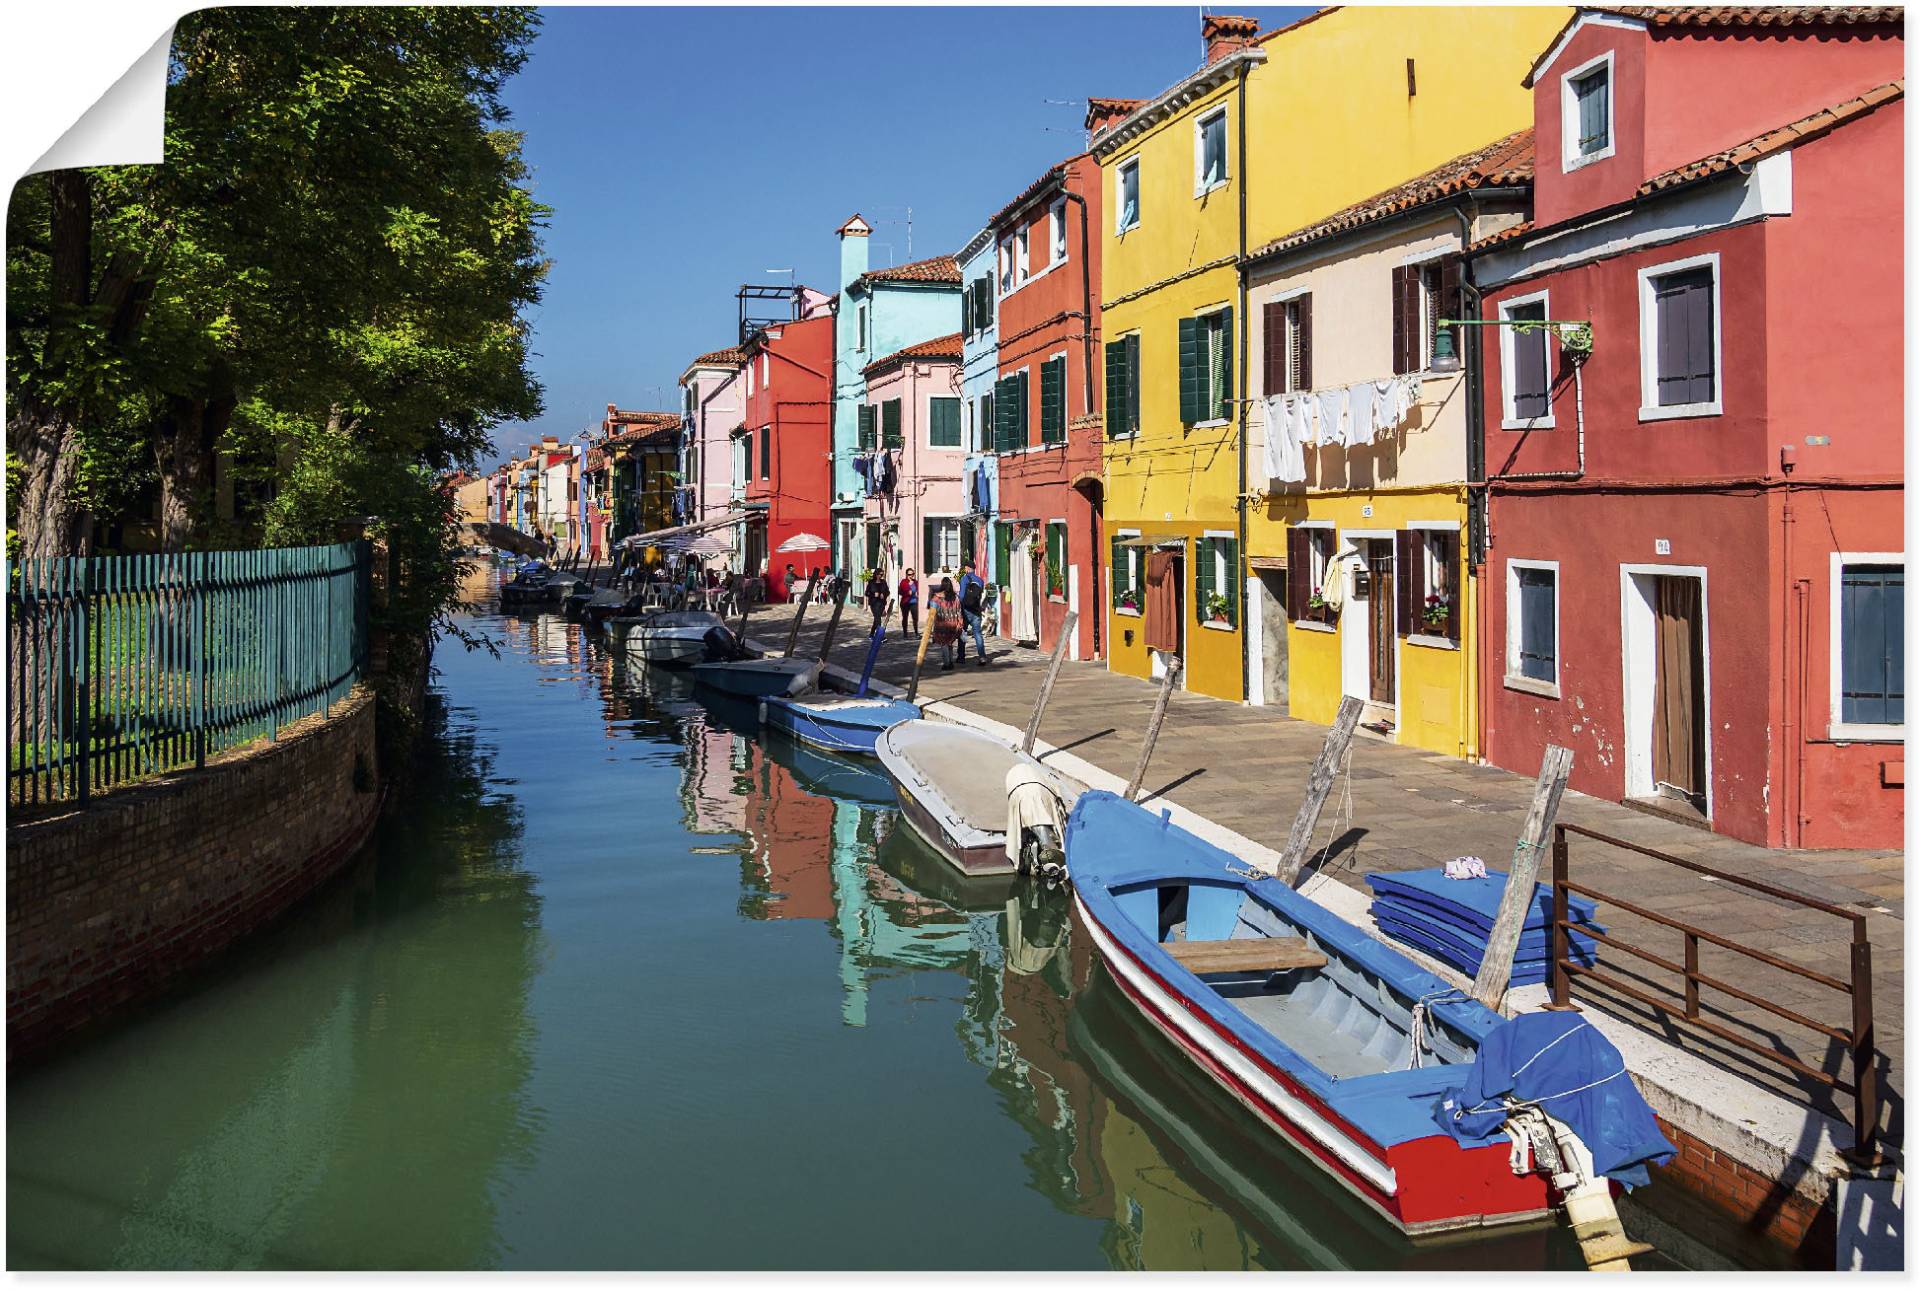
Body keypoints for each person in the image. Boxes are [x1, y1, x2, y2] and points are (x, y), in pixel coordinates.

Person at [957, 558, 988, 667]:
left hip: (965, 610)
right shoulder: (980, 580)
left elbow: (961, 596)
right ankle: (982, 656)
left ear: (967, 568)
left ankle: (961, 657)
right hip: (976, 611)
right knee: (978, 634)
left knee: (963, 633)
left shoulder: (964, 578)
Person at [931, 577, 963, 670]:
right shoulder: (956, 597)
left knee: (944, 644)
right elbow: (959, 611)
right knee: (950, 643)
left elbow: (932, 611)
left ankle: (947, 663)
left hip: (941, 624)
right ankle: (951, 661)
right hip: (953, 624)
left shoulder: (937, 597)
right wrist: (959, 624)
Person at [897, 568, 920, 637]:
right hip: (905, 602)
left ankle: (916, 632)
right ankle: (905, 633)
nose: (911, 576)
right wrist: (907, 593)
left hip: (914, 602)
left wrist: (917, 593)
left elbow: (918, 590)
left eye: (912, 574)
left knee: (915, 618)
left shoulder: (916, 582)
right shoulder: (903, 582)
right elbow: (900, 592)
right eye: (909, 574)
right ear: (906, 574)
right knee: (905, 617)